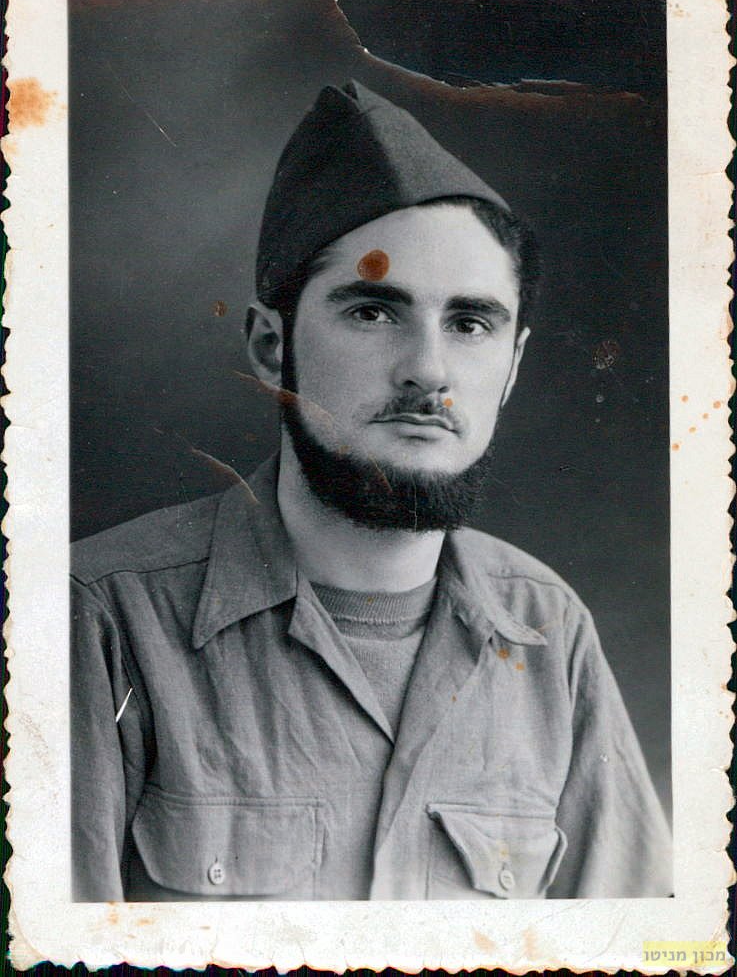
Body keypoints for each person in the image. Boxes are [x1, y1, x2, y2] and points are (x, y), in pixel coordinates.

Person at [71, 80, 672, 901]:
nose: (427, 370)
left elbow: (633, 943)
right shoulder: (101, 618)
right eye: (373, 312)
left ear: (512, 367)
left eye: (469, 324)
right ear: (270, 346)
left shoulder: (547, 629)